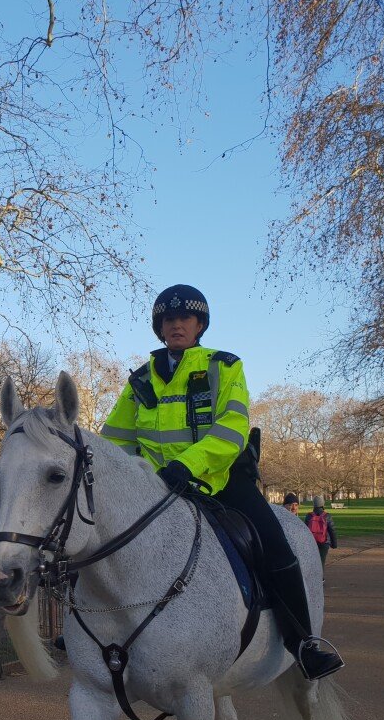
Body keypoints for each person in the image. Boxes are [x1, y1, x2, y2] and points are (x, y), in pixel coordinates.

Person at [101, 284, 343, 680]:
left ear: (200, 325)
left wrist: (187, 465)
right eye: (168, 319)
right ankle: (89, 627)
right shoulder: (140, 381)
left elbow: (232, 428)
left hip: (219, 480)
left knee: (276, 544)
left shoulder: (223, 366)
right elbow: (116, 441)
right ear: (159, 327)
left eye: (185, 318)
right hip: (159, 488)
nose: (176, 325)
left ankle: (304, 643)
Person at [304, 495, 338, 570]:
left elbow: (305, 530)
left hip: (312, 542)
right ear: (323, 504)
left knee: (312, 561)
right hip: (324, 542)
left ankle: (313, 578)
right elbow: (332, 530)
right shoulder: (327, 516)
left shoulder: (309, 516)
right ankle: (320, 579)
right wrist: (334, 544)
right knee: (321, 561)